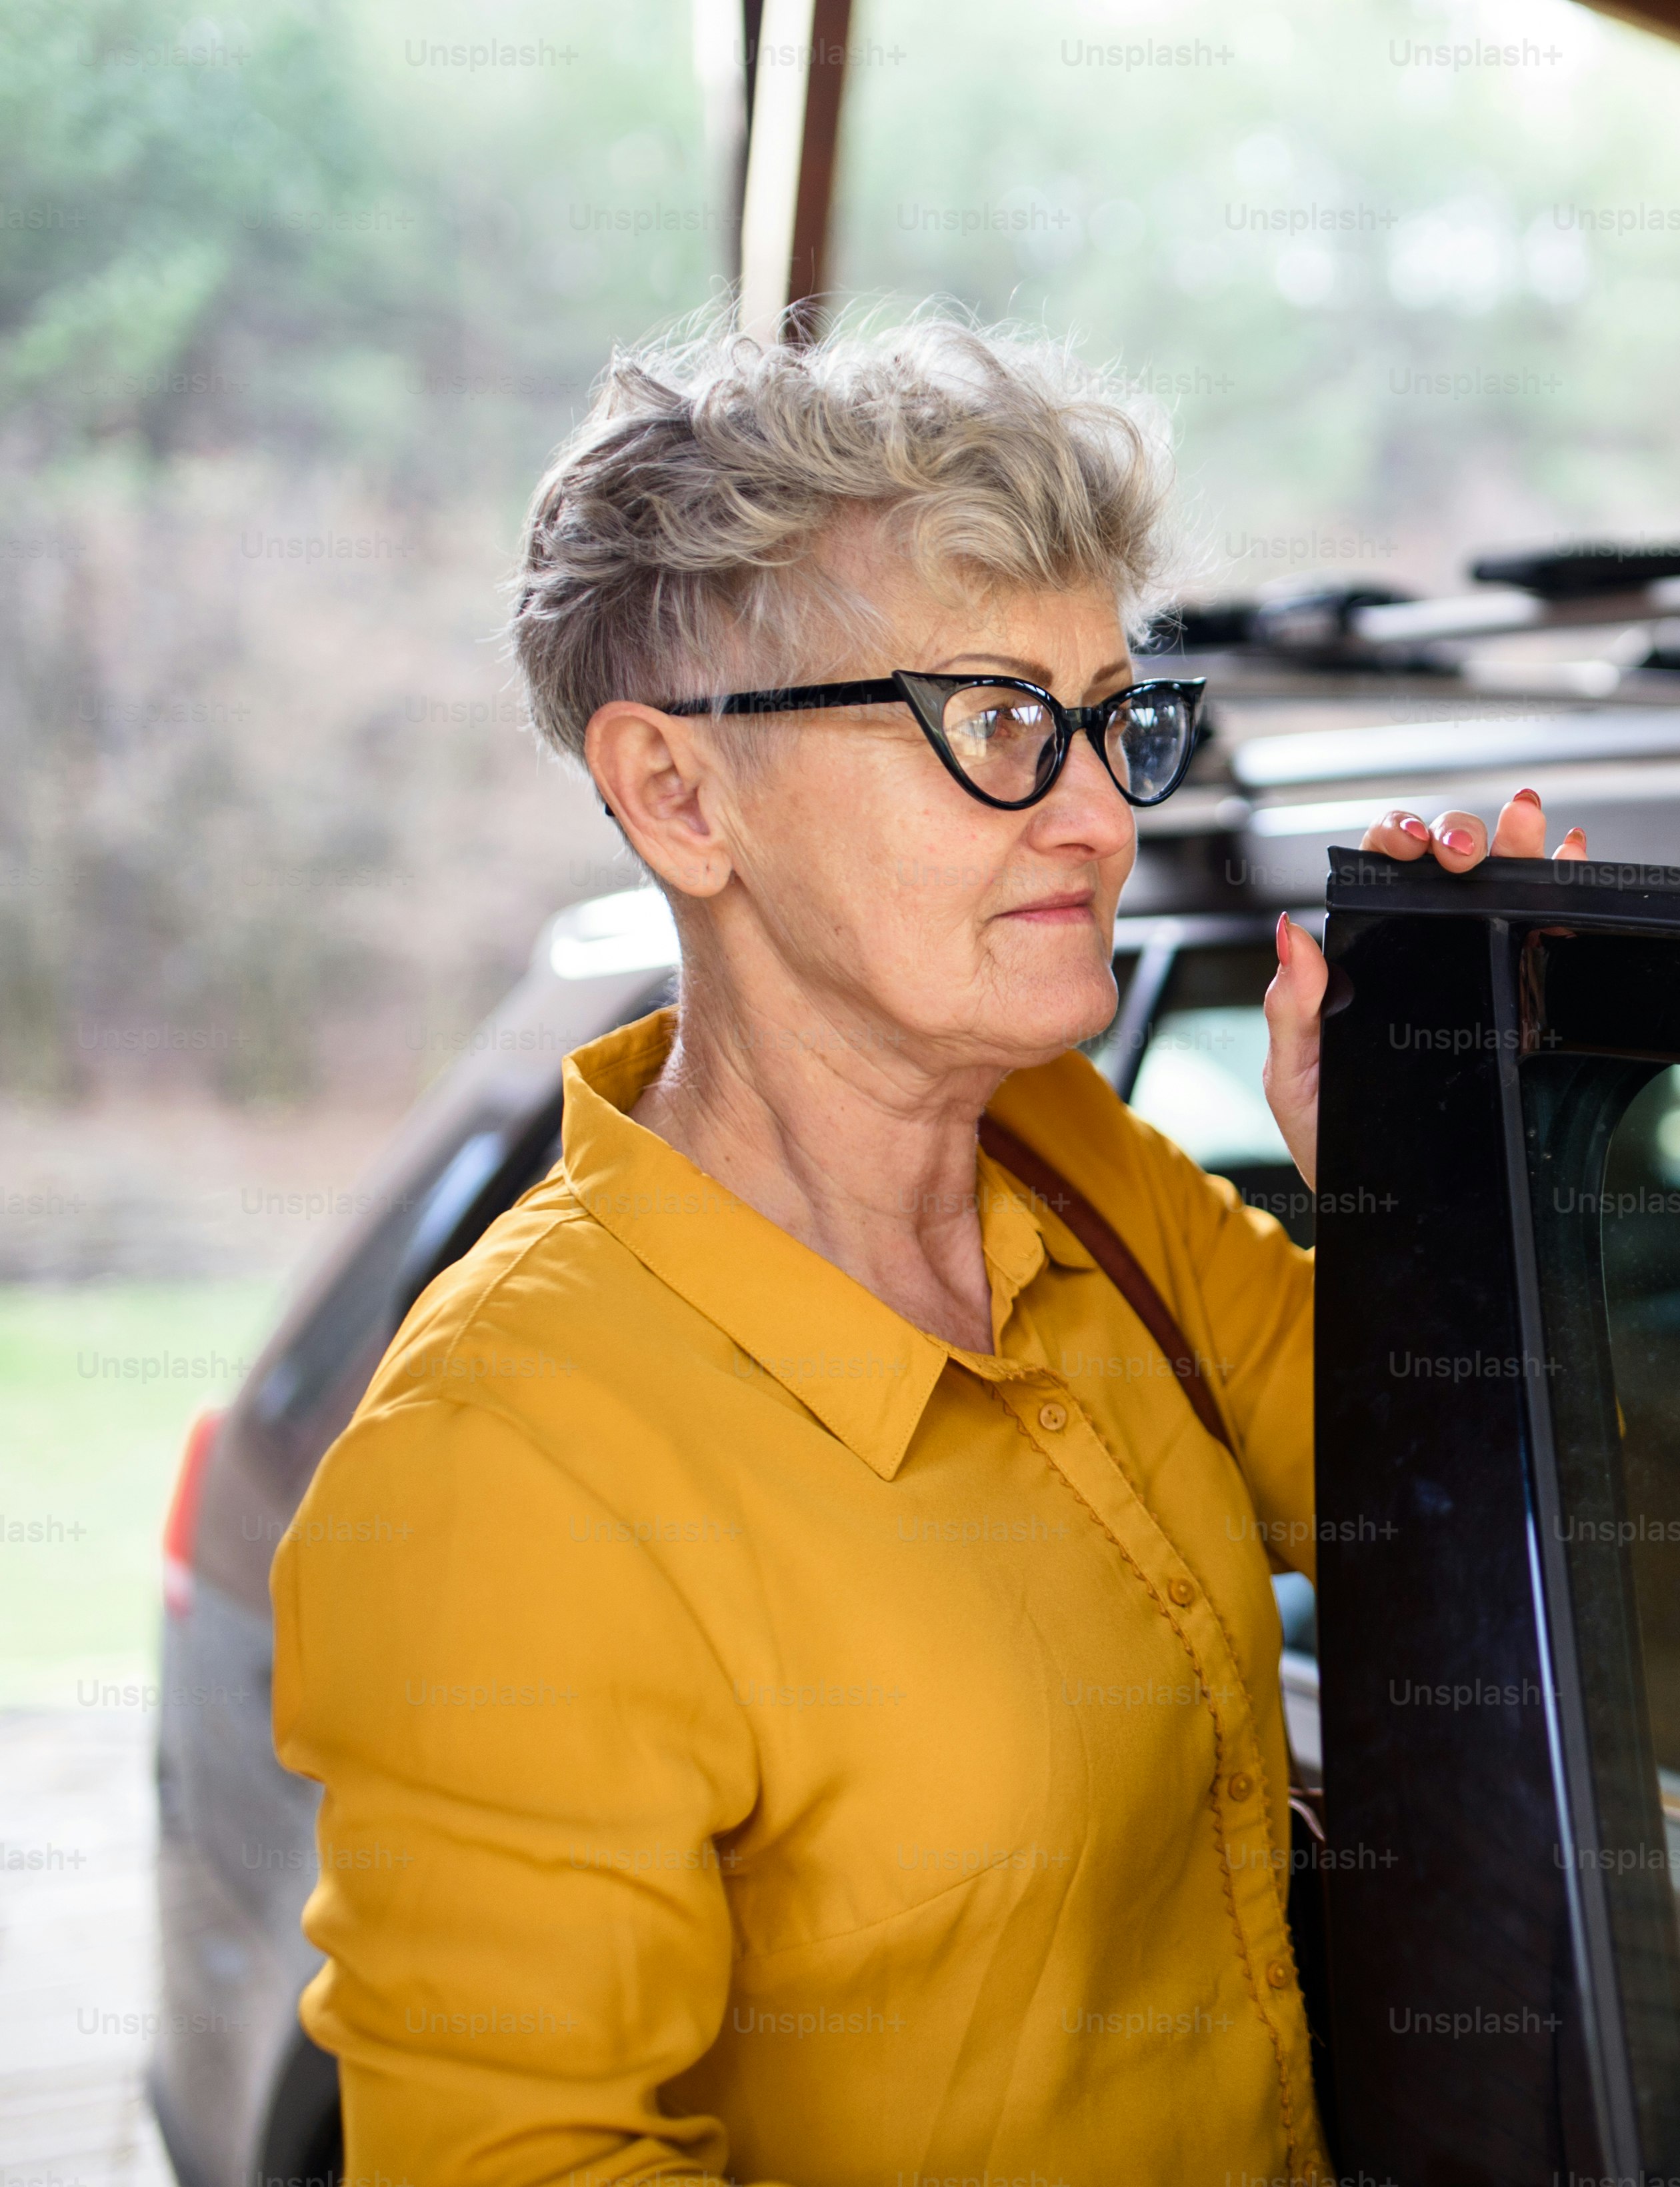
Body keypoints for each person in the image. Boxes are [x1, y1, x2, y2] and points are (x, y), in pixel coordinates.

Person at [270, 316, 1584, 2183]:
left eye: (1111, 716)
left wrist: (1434, 1169)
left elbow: (1476, 1522)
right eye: (990, 725)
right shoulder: (505, 1469)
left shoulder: (1073, 1172)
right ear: (676, 795)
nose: (1105, 814)